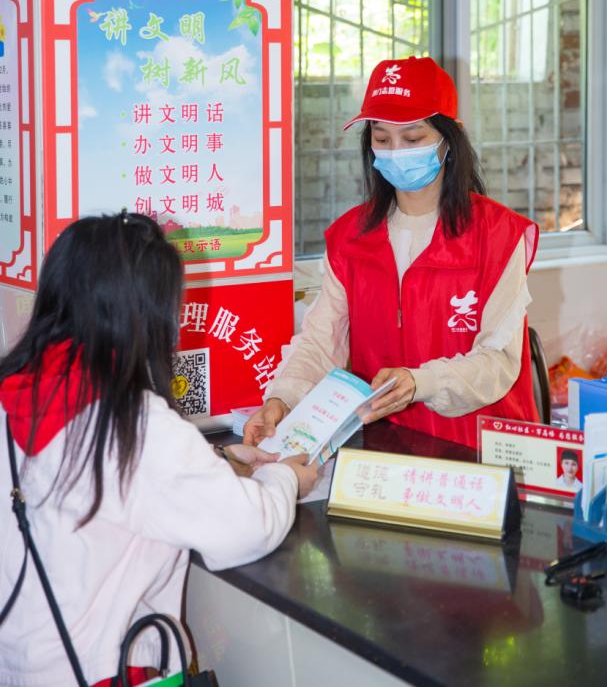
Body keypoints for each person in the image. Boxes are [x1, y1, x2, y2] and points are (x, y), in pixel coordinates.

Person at [0, 212, 317, 687]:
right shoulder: (132, 424)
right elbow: (246, 529)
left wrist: (222, 460)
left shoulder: (15, 392)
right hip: (103, 671)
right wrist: (286, 478)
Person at [245, 56, 540, 452]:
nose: (396, 151)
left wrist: (422, 382)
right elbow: (320, 342)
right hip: (390, 449)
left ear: (449, 140)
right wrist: (281, 399)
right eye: (382, 139)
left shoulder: (497, 235)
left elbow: (499, 360)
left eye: (413, 139)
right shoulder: (350, 238)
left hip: (481, 450)